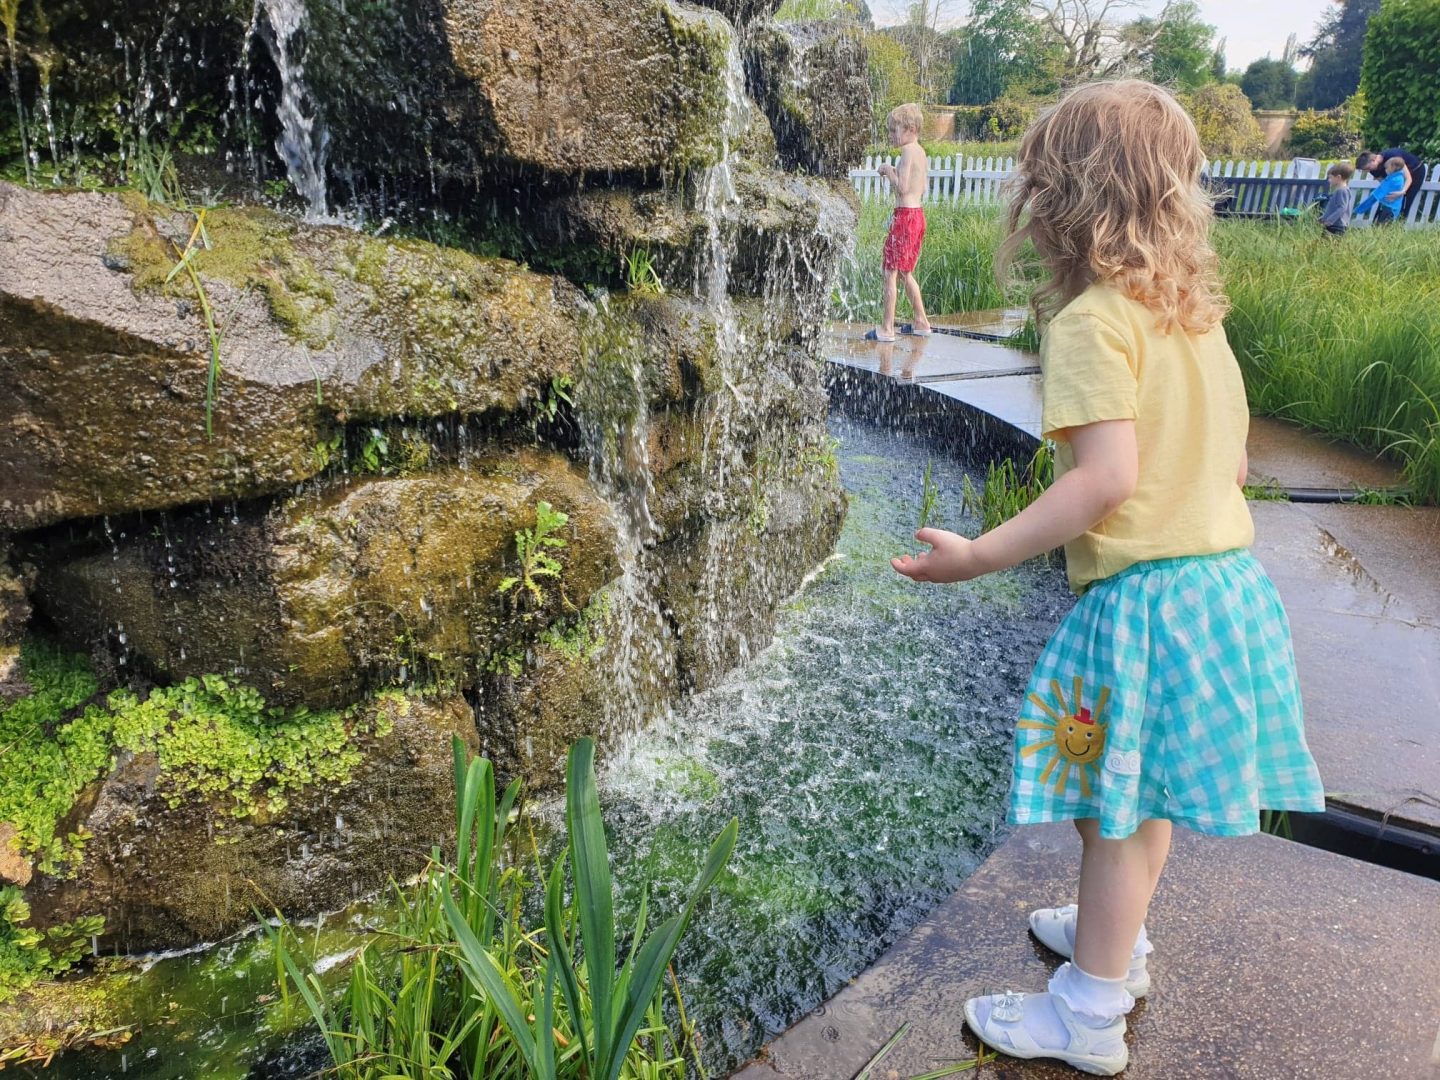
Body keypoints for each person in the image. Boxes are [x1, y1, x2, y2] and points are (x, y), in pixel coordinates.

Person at [890, 80, 1325, 1076]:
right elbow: (1236, 463)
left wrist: (981, 555)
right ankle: (1114, 940)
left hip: (1152, 606)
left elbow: (1106, 480)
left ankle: (1086, 1009)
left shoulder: (1093, 320)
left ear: (1062, 201)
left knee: (1113, 812)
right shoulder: (1192, 316)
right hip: (1224, 589)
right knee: (1138, 796)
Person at [865, 103, 931, 343]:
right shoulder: (921, 152)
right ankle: (921, 321)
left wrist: (887, 170)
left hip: (904, 217)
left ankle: (887, 328)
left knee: (889, 271)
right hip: (917, 216)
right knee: (905, 272)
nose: (891, 135)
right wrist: (896, 170)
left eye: (894, 130)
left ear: (910, 128)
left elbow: (902, 188)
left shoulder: (906, 152)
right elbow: (919, 186)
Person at [1357, 147, 1424, 221]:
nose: (1368, 171)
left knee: (1405, 204)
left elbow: (1408, 178)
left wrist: (1402, 192)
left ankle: (1398, 226)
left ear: (1373, 160)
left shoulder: (1393, 156)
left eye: (1368, 168)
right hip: (1397, 179)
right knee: (1387, 202)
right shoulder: (1373, 170)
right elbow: (1384, 185)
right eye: (1365, 170)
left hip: (1416, 171)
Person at [1354, 156, 1409, 225]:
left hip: (1388, 209)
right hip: (1394, 209)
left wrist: (1360, 209)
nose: (1385, 170)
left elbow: (1376, 195)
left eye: (1386, 168)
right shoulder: (1399, 178)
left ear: (1393, 167)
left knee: (1381, 229)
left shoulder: (1392, 180)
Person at [1320, 162, 1354, 235]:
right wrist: (1324, 217)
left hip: (1336, 225)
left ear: (1338, 177)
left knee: (1328, 244)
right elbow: (1334, 208)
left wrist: (1329, 220)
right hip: (1335, 224)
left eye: (1330, 177)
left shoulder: (1342, 191)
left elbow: (1342, 208)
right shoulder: (1343, 190)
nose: (1329, 180)